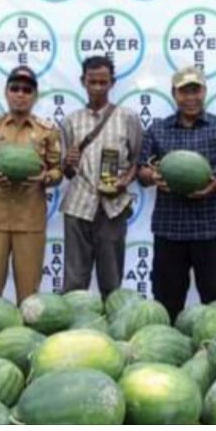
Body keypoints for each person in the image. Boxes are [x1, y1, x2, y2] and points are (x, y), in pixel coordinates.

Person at [137, 66, 216, 320]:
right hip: (169, 230)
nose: (190, 97)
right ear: (174, 94)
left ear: (204, 91)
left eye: (195, 90)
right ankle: (166, 348)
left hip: (213, 229)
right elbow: (141, 171)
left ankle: (215, 348)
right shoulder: (157, 130)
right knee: (166, 300)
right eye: (184, 91)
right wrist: (153, 176)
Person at [0, 66, 61, 302]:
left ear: (35, 95)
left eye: (27, 90)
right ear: (6, 92)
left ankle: (25, 337)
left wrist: (47, 178)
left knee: (29, 295)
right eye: (15, 88)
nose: (21, 94)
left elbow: (57, 169)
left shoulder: (47, 131)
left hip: (30, 221)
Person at [59, 56, 142, 298]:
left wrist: (124, 181)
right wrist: (68, 163)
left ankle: (112, 330)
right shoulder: (70, 121)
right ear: (82, 81)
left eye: (103, 82)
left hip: (113, 207)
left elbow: (137, 161)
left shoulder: (128, 118)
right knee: (74, 280)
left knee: (112, 281)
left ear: (112, 83)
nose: (97, 87)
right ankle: (72, 332)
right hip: (78, 206)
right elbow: (66, 171)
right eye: (92, 82)